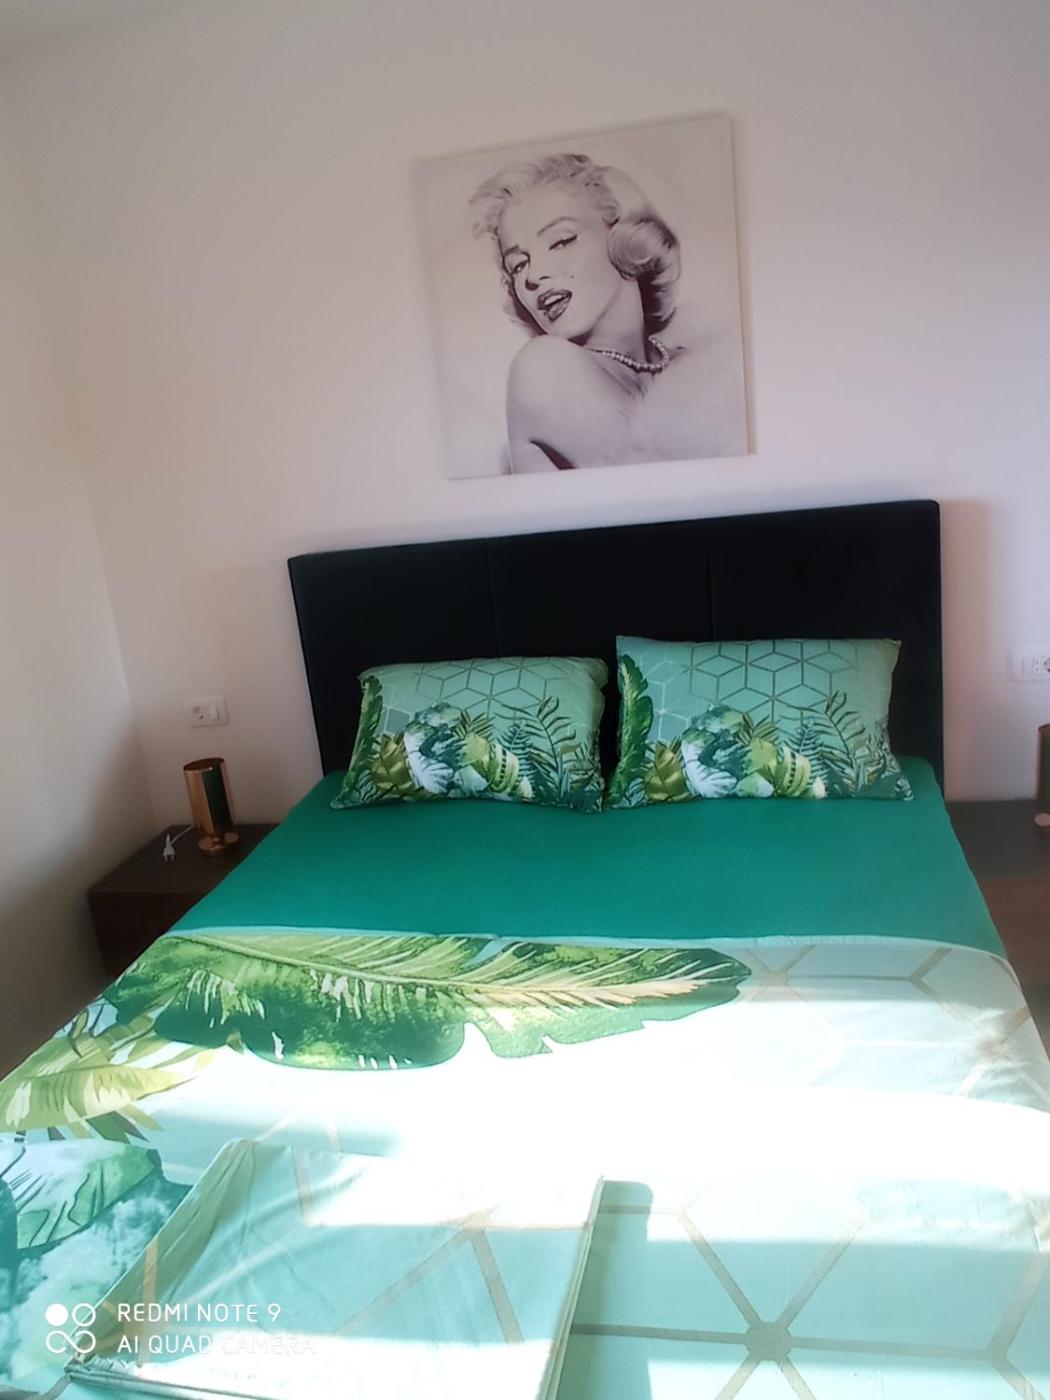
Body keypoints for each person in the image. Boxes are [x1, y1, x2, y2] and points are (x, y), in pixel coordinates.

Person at [471, 152, 740, 471]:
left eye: (560, 241)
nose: (533, 275)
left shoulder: (708, 360)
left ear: (622, 234)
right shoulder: (542, 369)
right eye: (518, 265)